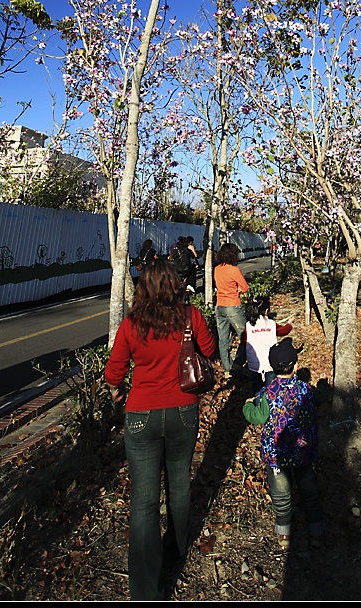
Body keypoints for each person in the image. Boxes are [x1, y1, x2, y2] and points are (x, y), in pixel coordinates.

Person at [105, 258, 216, 601]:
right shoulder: (190, 316)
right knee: (180, 483)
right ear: (175, 284)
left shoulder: (132, 323)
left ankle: (144, 589)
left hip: (141, 414)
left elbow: (113, 373)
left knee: (143, 501)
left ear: (143, 288)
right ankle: (175, 552)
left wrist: (118, 390)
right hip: (183, 410)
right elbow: (210, 351)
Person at [243, 337, 326, 551]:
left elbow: (257, 417)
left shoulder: (266, 394)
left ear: (271, 367)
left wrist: (247, 407)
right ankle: (316, 532)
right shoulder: (306, 390)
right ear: (296, 366)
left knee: (281, 497)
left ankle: (284, 534)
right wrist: (325, 387)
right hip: (303, 452)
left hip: (276, 455)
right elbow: (320, 398)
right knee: (309, 492)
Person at [235, 296, 293, 393]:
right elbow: (283, 331)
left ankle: (258, 404)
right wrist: (289, 324)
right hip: (269, 362)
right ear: (266, 311)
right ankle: (270, 404)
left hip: (254, 364)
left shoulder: (248, 326)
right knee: (271, 388)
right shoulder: (271, 324)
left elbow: (244, 342)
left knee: (257, 388)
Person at [214, 242, 249, 380]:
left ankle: (227, 369)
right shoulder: (234, 270)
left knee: (223, 339)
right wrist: (238, 290)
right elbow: (245, 287)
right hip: (232, 306)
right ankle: (238, 365)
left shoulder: (217, 269)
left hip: (219, 306)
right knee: (246, 336)